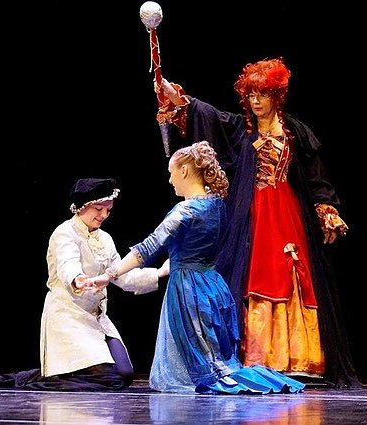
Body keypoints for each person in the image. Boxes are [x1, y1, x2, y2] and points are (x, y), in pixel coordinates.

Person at [153, 58, 361, 388]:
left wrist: (326, 210)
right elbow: (208, 115)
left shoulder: (295, 132)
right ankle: (258, 357)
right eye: (251, 95)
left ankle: (297, 359)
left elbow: (314, 175)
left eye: (262, 94)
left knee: (291, 273)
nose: (255, 101)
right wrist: (177, 97)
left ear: (276, 96)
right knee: (255, 273)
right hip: (253, 214)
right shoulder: (243, 129)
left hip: (288, 213)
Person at [86, 141, 305, 394]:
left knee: (200, 367)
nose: (170, 180)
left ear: (184, 171)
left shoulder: (186, 210)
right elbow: (199, 245)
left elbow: (148, 247)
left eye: (171, 173)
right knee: (217, 356)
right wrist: (176, 259)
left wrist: (108, 275)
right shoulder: (217, 205)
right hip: (213, 284)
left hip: (188, 288)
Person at [0, 177, 168, 391]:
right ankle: (40, 379)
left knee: (124, 374)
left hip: (96, 319)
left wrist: (160, 273)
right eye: (99, 209)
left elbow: (121, 276)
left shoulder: (105, 239)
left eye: (108, 210)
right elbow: (68, 263)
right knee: (109, 378)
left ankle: (51, 374)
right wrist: (78, 279)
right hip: (69, 316)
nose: (104, 215)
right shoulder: (64, 233)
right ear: (82, 207)